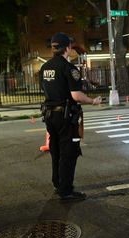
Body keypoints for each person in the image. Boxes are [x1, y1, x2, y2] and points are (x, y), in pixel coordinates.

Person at [40, 32, 102, 203]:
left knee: (56, 150)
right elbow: (76, 95)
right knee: (69, 152)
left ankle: (57, 183)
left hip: (50, 115)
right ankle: (66, 191)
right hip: (66, 116)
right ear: (67, 48)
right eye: (70, 46)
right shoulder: (69, 68)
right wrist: (92, 101)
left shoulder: (45, 67)